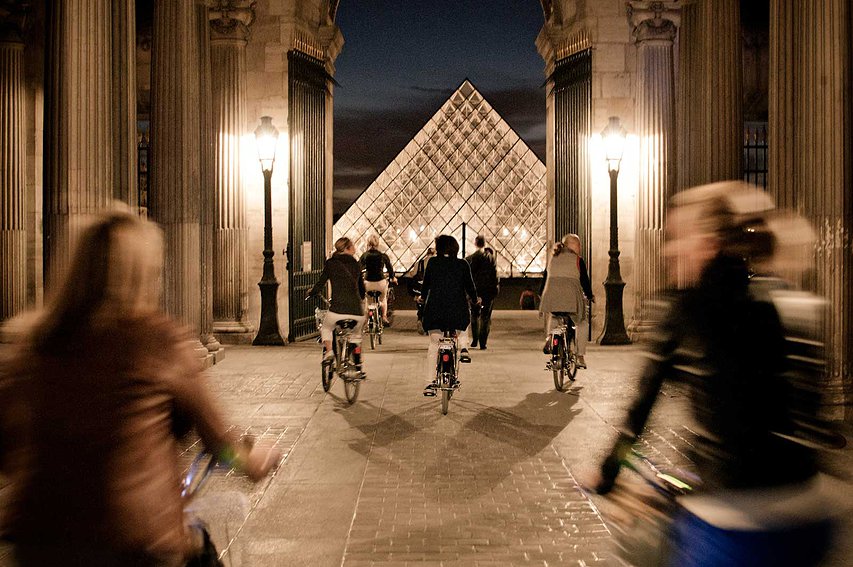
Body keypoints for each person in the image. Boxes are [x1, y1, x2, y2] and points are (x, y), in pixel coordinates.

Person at [0, 209, 279, 567]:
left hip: (39, 544)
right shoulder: (157, 340)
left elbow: (9, 448)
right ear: (142, 276)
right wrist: (256, 458)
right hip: (134, 545)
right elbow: (221, 446)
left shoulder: (31, 345)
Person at [588, 181, 842, 566]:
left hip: (735, 521)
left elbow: (638, 415)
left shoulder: (685, 310)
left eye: (678, 238)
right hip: (810, 514)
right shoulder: (776, 302)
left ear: (709, 242)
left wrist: (608, 473)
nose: (668, 250)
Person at [419, 235, 479, 394]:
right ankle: (463, 347)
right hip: (456, 312)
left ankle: (430, 383)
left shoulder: (432, 262)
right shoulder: (462, 264)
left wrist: (422, 298)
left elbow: (426, 286)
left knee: (433, 345)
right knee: (463, 322)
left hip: (435, 312)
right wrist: (475, 299)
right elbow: (470, 287)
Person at [307, 236, 366, 368]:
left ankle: (329, 352)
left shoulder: (330, 263)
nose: (355, 249)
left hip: (337, 310)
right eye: (353, 246)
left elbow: (320, 284)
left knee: (326, 328)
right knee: (356, 335)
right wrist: (360, 299)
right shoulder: (356, 264)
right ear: (347, 248)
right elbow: (362, 289)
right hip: (356, 311)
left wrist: (312, 292)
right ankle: (357, 363)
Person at [538, 233, 593, 368]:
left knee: (554, 314)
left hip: (551, 295)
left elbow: (545, 278)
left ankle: (550, 337)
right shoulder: (578, 260)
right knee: (582, 323)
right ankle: (580, 356)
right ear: (572, 246)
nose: (580, 247)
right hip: (571, 297)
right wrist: (590, 295)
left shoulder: (552, 258)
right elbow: (584, 281)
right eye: (578, 244)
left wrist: (542, 295)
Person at [465, 236, 499, 350]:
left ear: (475, 243)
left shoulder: (470, 258)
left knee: (474, 315)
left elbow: (468, 277)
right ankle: (483, 342)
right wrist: (495, 288)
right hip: (488, 292)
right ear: (484, 243)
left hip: (475, 291)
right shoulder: (491, 258)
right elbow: (495, 275)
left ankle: (475, 340)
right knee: (485, 317)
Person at [359, 234, 397, 325]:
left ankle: (367, 318)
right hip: (380, 282)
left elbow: (358, 269)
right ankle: (384, 316)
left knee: (368, 300)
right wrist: (393, 277)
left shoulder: (364, 255)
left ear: (367, 243)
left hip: (368, 282)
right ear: (378, 244)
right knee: (383, 299)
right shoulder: (383, 256)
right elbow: (390, 268)